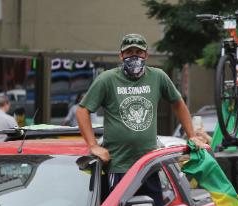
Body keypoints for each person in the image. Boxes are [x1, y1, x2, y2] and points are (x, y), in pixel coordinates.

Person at [76, 33, 205, 192]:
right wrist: (93, 145)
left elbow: (178, 103)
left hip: (149, 166)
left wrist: (191, 135)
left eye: (138, 52)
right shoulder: (107, 79)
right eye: (129, 53)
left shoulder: (158, 77)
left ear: (146, 55)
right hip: (118, 167)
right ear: (121, 55)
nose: (134, 56)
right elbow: (82, 111)